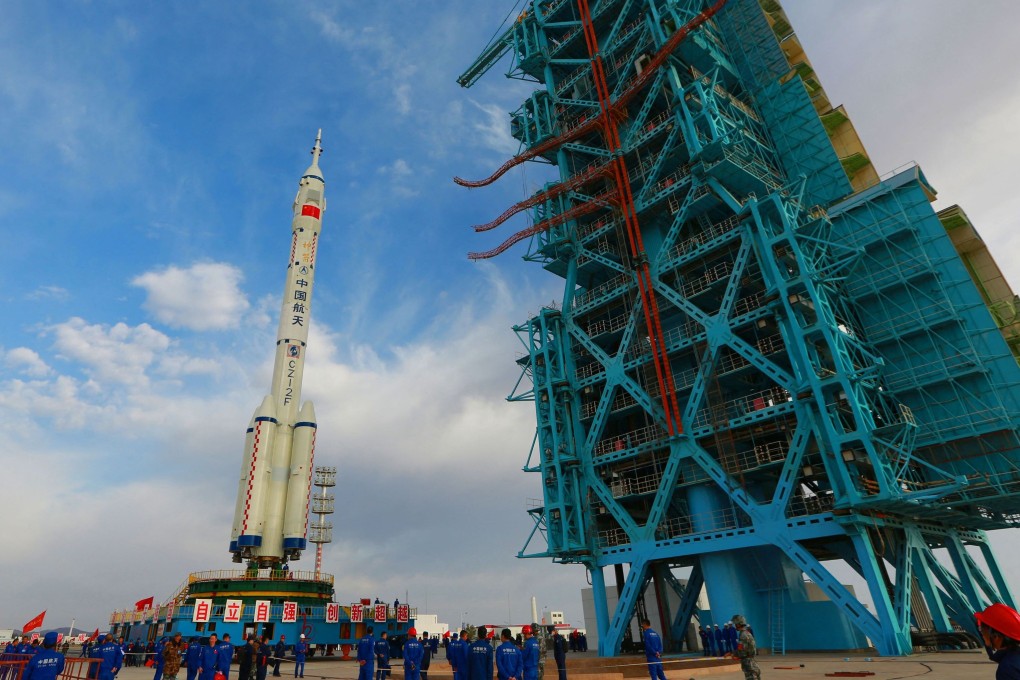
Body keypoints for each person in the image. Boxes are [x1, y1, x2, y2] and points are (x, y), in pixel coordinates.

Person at [975, 603, 1020, 678]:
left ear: (996, 637)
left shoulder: (1007, 669)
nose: (983, 635)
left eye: (983, 631)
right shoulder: (1014, 657)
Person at [729, 615, 760, 680]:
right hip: (752, 662)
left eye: (735, 624)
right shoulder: (747, 633)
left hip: (748, 664)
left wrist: (734, 655)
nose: (735, 626)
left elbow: (742, 651)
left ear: (739, 624)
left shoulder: (743, 635)